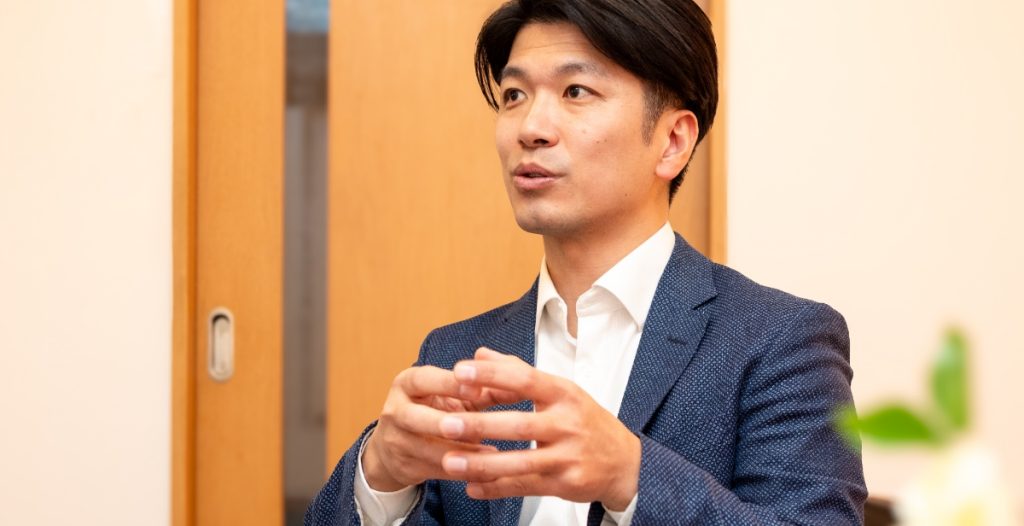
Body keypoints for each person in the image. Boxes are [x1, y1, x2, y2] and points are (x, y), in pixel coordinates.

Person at [306, 0, 867, 524]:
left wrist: (630, 475)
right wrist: (380, 476)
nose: (531, 128)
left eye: (575, 91)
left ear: (673, 141)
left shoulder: (779, 340)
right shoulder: (455, 356)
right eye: (514, 95)